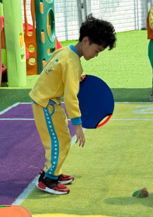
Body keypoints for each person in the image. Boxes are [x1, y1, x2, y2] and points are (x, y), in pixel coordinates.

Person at [29, 15, 116, 195]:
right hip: (46, 103)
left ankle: (55, 171)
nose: (96, 55)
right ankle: (48, 179)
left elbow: (55, 70)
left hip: (48, 100)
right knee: (57, 141)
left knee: (63, 139)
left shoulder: (65, 52)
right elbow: (71, 96)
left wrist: (74, 79)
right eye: (97, 50)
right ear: (85, 41)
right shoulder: (73, 63)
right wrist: (78, 124)